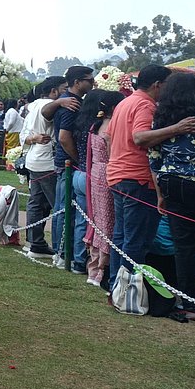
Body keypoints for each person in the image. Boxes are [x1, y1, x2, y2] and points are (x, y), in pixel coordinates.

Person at [106, 64, 195, 291]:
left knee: (122, 236)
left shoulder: (125, 102)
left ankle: (116, 284)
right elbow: (140, 137)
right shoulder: (145, 104)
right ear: (157, 85)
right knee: (137, 240)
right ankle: (127, 290)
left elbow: (108, 136)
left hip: (118, 174)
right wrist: (177, 129)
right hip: (138, 178)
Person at [149, 72, 195, 312]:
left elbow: (153, 157)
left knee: (183, 247)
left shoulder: (162, 119)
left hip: (173, 183)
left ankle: (190, 304)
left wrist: (160, 194)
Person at [21, 76, 73, 260]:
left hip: (34, 161)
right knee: (57, 206)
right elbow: (46, 113)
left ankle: (35, 243)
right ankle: (62, 249)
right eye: (64, 88)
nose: (67, 92)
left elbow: (23, 137)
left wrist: (33, 139)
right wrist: (60, 102)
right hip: (47, 163)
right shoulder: (50, 105)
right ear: (53, 91)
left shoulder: (32, 106)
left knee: (36, 204)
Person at [79, 89, 125, 290]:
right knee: (107, 221)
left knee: (98, 220)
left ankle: (94, 265)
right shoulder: (110, 129)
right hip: (107, 174)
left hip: (95, 172)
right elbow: (113, 155)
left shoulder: (95, 126)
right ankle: (100, 270)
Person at [53, 65, 95, 272]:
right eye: (89, 79)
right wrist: (78, 159)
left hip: (66, 162)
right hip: (68, 164)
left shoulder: (68, 100)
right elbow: (63, 136)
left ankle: (61, 252)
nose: (92, 82)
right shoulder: (71, 103)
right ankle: (62, 254)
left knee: (64, 209)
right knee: (65, 210)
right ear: (77, 82)